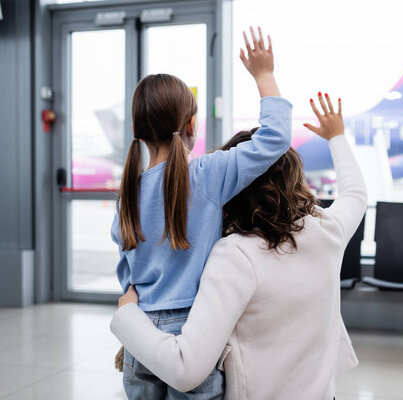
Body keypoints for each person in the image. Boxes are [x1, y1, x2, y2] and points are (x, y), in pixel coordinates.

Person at [111, 92, 368, 400]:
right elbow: (355, 194)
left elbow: (186, 368)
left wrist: (128, 318)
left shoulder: (234, 255)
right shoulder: (328, 231)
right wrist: (337, 137)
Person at [111, 27, 291, 399]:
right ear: (191, 126)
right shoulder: (208, 175)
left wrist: (133, 329)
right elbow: (275, 138)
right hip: (195, 335)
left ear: (138, 131)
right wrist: (264, 75)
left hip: (140, 335)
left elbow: (128, 275)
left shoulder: (127, 194)